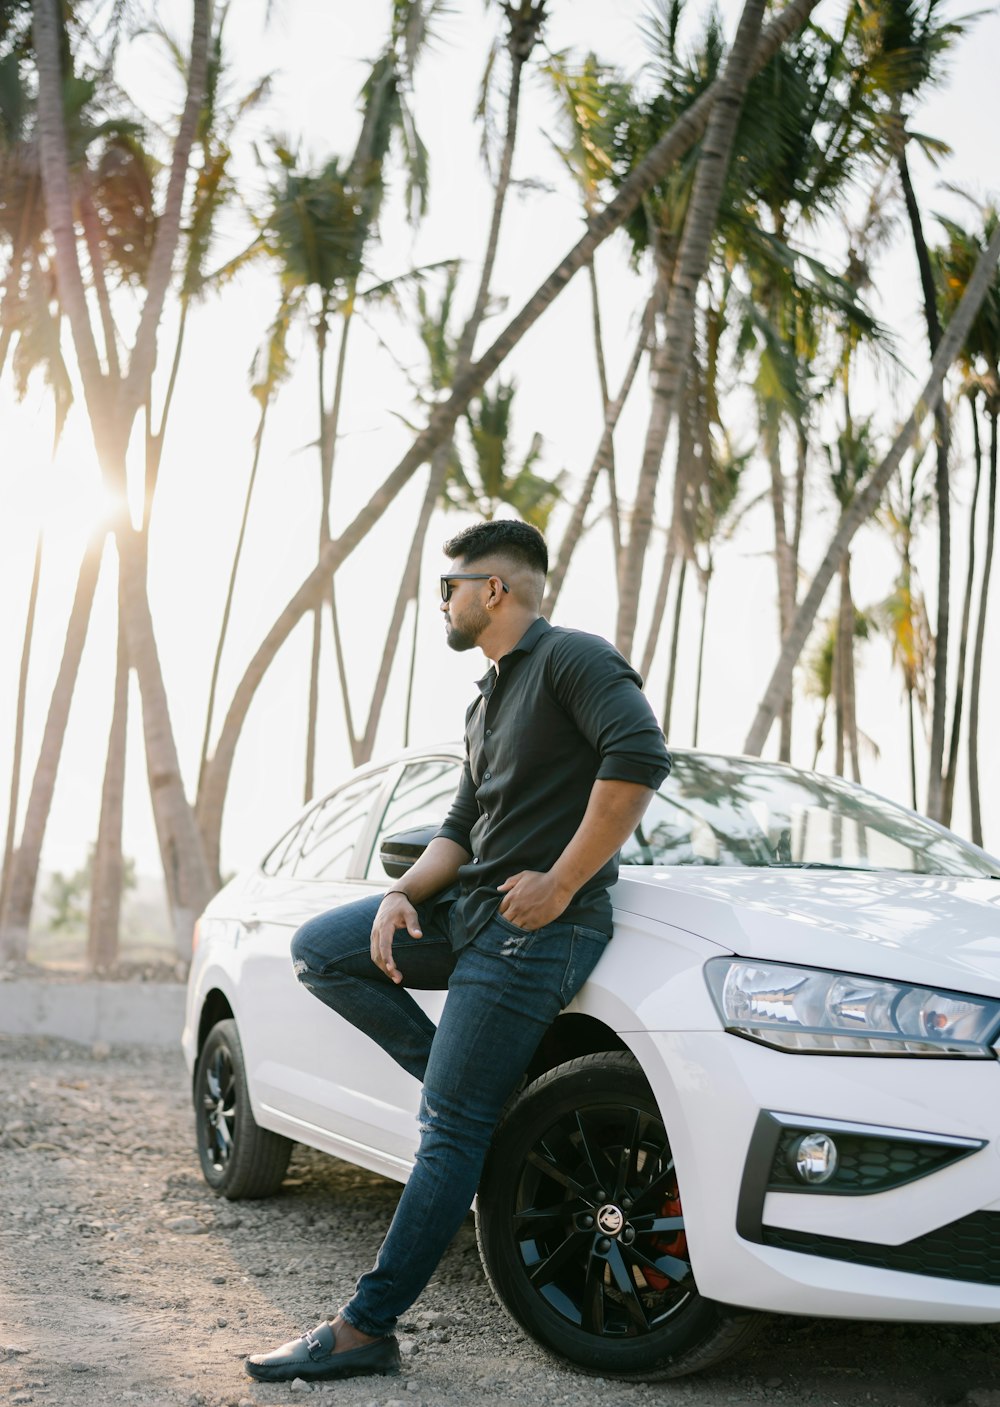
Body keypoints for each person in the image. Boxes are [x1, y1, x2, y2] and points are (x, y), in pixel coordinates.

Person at [246, 519, 671, 1384]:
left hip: (534, 930)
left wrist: (558, 882)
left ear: (495, 589)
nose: (441, 600)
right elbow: (457, 828)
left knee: (446, 1133)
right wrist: (404, 894)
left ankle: (366, 1327)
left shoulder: (572, 659)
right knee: (323, 949)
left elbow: (637, 759)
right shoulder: (487, 698)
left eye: (450, 587)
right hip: (469, 914)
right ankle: (480, 1095)